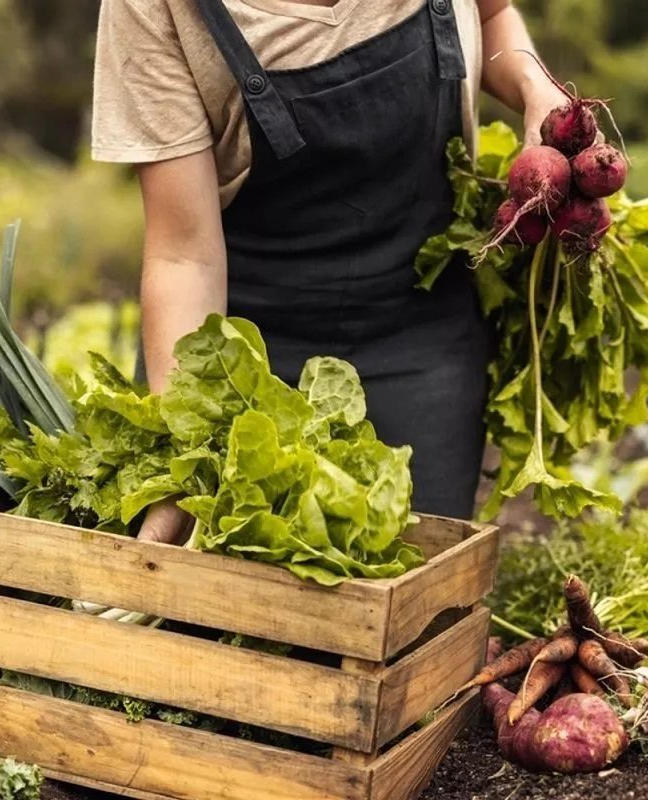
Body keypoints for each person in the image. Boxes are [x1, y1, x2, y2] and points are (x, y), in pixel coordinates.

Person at [92, 0, 566, 542]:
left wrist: (534, 85)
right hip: (247, 369)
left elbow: (489, 13)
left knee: (412, 604)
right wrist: (185, 452)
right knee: (216, 612)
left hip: (424, 343)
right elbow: (184, 256)